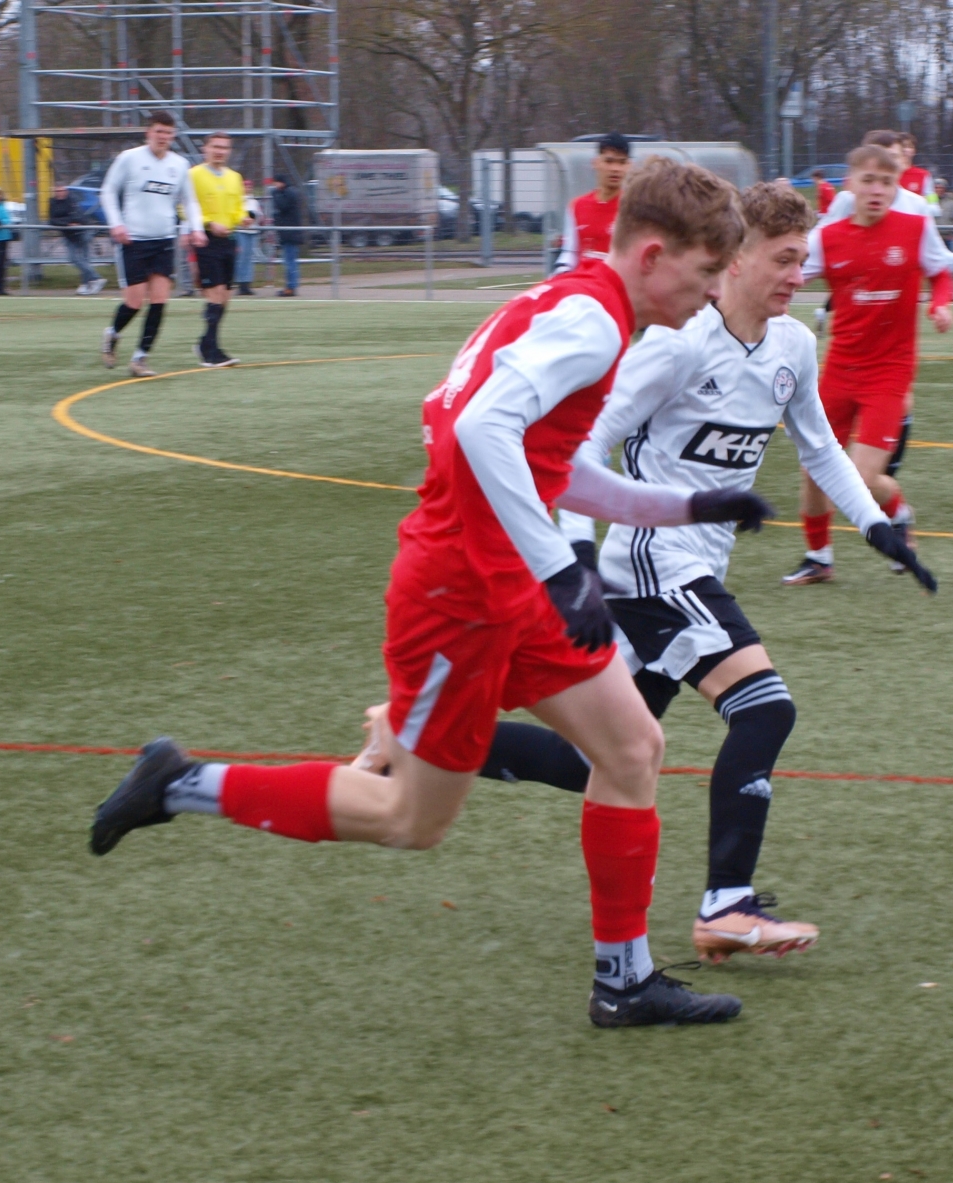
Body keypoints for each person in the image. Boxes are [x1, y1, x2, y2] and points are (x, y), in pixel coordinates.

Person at [90, 158, 766, 1029]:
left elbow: (543, 463)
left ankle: (624, 981)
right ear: (650, 254)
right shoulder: (595, 323)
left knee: (633, 749)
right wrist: (564, 572)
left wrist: (687, 506)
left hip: (507, 584)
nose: (712, 296)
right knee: (410, 820)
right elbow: (482, 429)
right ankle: (182, 783)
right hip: (459, 595)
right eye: (706, 272)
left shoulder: (579, 305)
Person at [472, 180, 934, 961]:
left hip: (689, 568)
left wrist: (876, 527)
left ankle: (431, 737)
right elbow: (579, 449)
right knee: (764, 709)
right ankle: (727, 904)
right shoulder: (679, 344)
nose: (798, 276)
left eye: (804, 260)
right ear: (738, 257)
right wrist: (576, 556)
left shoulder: (792, 346)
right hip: (652, 564)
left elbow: (821, 446)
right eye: (784, 260)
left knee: (596, 758)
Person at [784, 142, 953, 586]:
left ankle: (898, 514)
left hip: (889, 374)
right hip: (840, 368)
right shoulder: (828, 238)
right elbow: (791, 273)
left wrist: (940, 304)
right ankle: (818, 557)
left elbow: (940, 271)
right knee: (813, 468)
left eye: (886, 182)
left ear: (896, 186)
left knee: (860, 478)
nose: (877, 190)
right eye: (868, 181)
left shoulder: (915, 228)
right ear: (850, 185)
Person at [99, 110, 205, 378]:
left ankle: (140, 359)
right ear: (149, 133)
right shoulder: (129, 158)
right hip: (134, 241)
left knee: (159, 301)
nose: (163, 137)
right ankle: (112, 334)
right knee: (134, 303)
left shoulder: (179, 164)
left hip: (164, 241)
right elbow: (108, 191)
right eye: (159, 131)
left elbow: (189, 200)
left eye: (168, 133)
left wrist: (196, 228)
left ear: (173, 136)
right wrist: (116, 224)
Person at [187, 130, 245, 367]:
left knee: (225, 298)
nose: (220, 151)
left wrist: (243, 218)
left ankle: (206, 343)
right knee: (215, 294)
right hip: (205, 240)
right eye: (216, 146)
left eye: (224, 147)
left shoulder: (234, 177)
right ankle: (211, 352)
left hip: (228, 242)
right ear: (206, 149)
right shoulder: (193, 175)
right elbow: (184, 208)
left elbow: (238, 208)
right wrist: (208, 223)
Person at [551, 132, 630, 274]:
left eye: (622, 162)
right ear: (596, 163)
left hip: (616, 284)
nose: (615, 168)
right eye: (609, 161)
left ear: (629, 166)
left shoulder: (633, 208)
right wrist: (560, 274)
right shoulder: (577, 206)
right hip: (583, 284)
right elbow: (570, 252)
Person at [48, 181, 102, 294]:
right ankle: (95, 279)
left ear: (66, 191)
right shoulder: (53, 202)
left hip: (83, 231)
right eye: (57, 191)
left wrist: (64, 221)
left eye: (62, 190)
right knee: (74, 258)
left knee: (83, 259)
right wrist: (67, 223)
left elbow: (76, 217)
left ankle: (86, 284)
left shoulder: (72, 200)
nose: (60, 193)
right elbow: (52, 220)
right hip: (69, 234)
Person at [268, 175, 304, 295]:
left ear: (281, 182)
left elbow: (283, 206)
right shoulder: (286, 192)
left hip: (290, 233)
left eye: (276, 183)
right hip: (286, 233)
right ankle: (290, 286)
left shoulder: (288, 193)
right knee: (289, 260)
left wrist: (275, 194)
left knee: (290, 261)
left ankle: (291, 287)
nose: (274, 186)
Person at [897, 132, 938, 215]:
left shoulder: (924, 175)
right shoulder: (885, 174)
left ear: (914, 151)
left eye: (908, 146)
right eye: (901, 146)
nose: (904, 150)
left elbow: (933, 203)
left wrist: (930, 205)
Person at [234, 190, 260, 296]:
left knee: (249, 258)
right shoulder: (238, 200)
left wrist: (252, 219)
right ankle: (241, 284)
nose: (248, 188)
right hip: (241, 231)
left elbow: (257, 215)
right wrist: (243, 220)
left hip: (252, 231)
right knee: (242, 257)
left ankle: (247, 284)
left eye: (249, 185)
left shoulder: (254, 201)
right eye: (245, 185)